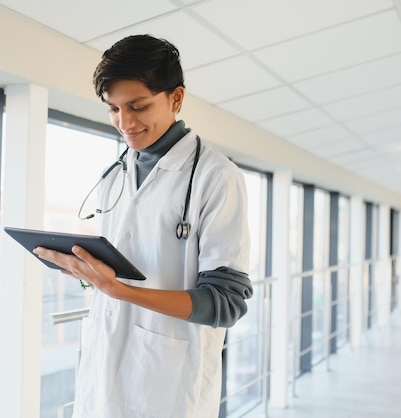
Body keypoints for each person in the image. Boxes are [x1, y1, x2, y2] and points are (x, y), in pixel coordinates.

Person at [33, 34, 252, 418]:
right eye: (113, 109)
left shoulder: (215, 176)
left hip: (169, 382)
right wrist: (89, 272)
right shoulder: (115, 175)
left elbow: (227, 303)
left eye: (138, 106)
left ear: (176, 98)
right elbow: (124, 271)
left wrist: (118, 290)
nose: (125, 122)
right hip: (105, 369)